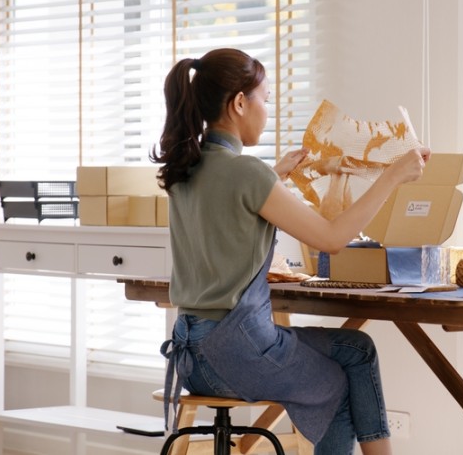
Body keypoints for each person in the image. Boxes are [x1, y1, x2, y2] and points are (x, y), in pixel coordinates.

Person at [151, 48, 429, 455]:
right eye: (264, 99)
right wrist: (392, 176)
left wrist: (275, 175)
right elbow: (332, 238)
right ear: (239, 103)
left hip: (192, 358)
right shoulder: (247, 174)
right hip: (237, 351)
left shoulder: (185, 169)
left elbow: (227, 204)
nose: (268, 111)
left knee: (358, 349)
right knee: (335, 387)